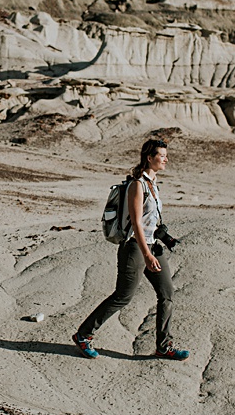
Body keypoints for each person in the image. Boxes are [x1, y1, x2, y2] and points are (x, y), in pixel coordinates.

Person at [72, 138, 189, 360]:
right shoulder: (138, 185)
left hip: (152, 245)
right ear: (149, 158)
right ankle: (83, 335)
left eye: (165, 155)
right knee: (123, 296)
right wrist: (146, 255)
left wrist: (164, 238)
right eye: (162, 155)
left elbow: (149, 222)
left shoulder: (153, 185)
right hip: (135, 247)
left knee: (167, 293)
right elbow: (136, 223)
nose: (166, 159)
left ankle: (164, 346)